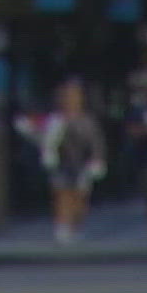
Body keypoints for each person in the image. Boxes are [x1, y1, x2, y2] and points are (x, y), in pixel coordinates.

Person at [41, 78, 106, 243]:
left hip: (82, 164)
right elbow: (45, 140)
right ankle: (62, 226)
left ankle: (76, 224)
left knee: (80, 197)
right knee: (62, 193)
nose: (71, 100)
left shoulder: (87, 120)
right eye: (68, 96)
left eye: (75, 96)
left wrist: (97, 160)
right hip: (61, 163)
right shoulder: (55, 119)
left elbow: (96, 142)